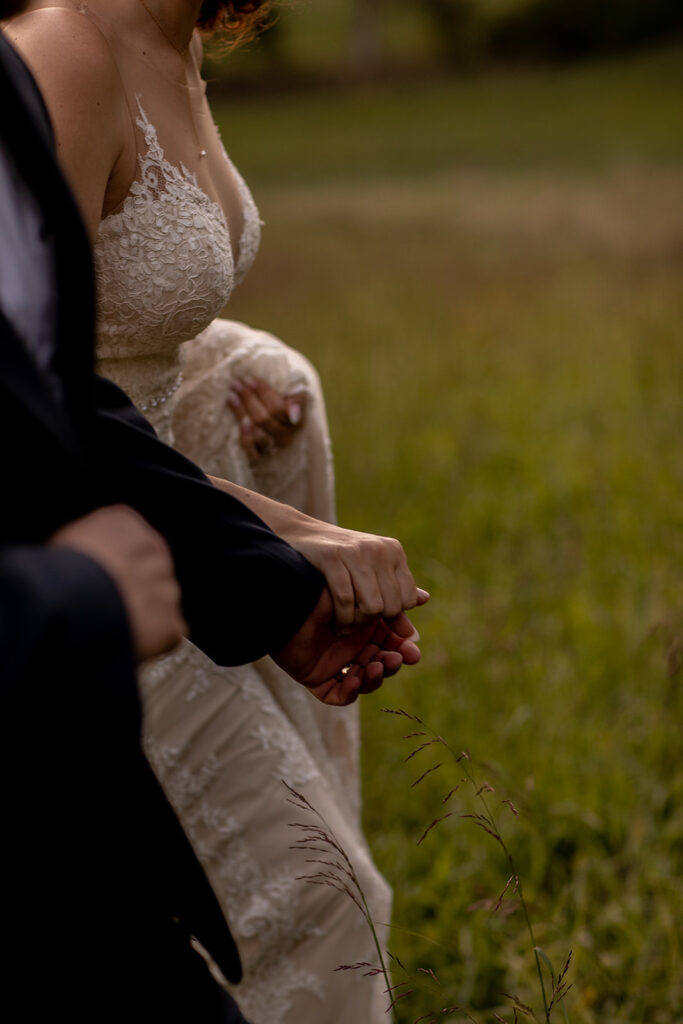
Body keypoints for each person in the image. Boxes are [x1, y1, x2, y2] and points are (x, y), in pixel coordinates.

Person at [4, 2, 428, 1020]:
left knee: (315, 892)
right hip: (97, 548)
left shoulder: (180, 39)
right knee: (316, 897)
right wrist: (286, 540)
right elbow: (39, 376)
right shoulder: (67, 46)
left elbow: (121, 328)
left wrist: (249, 376)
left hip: (178, 509)